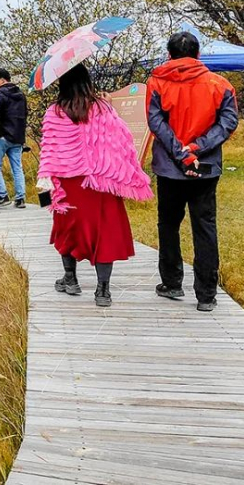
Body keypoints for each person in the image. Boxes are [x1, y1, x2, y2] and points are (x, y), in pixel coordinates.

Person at [39, 64, 153, 307]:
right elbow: (121, 141)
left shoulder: (54, 112)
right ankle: (103, 291)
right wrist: (108, 106)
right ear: (87, 81)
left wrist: (47, 182)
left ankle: (70, 279)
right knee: (104, 232)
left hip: (68, 184)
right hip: (100, 182)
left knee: (67, 228)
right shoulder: (102, 109)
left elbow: (48, 150)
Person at [147, 31, 238, 312]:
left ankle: (173, 283)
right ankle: (207, 294)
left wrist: (180, 152)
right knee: (205, 226)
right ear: (198, 55)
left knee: (169, 225)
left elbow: (155, 121)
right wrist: (197, 148)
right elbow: (228, 122)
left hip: (169, 167)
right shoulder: (220, 84)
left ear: (169, 54)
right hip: (206, 167)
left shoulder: (157, 82)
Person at [0, 68, 28, 209]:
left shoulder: (0, 93)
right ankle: (20, 198)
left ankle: (2, 195)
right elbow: (24, 115)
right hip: (17, 137)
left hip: (2, 137)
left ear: (2, 80)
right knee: (17, 168)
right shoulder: (21, 94)